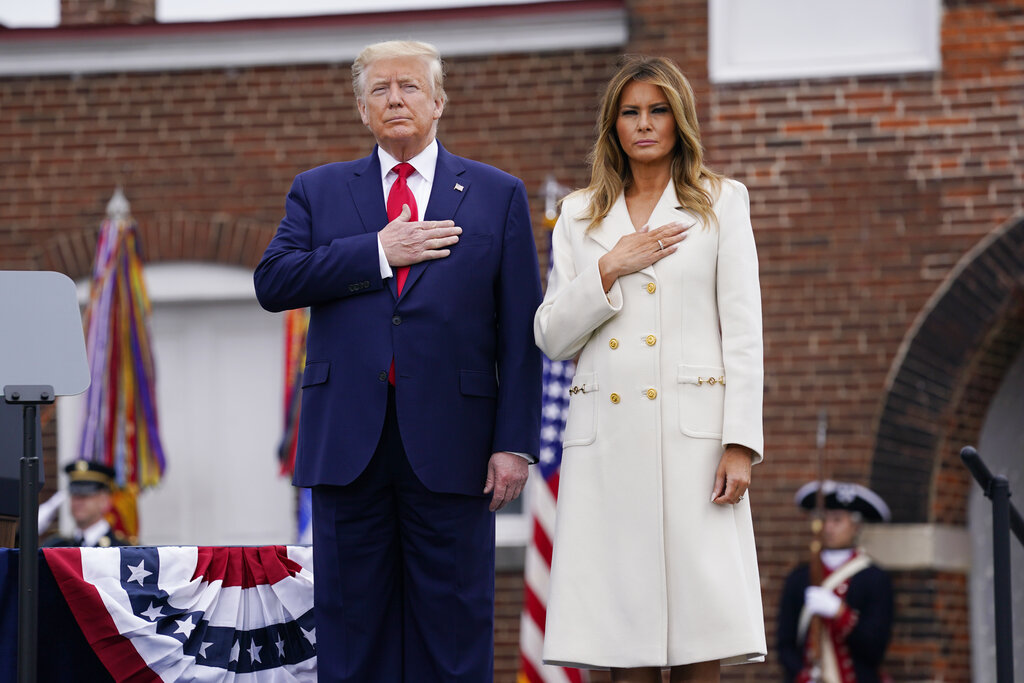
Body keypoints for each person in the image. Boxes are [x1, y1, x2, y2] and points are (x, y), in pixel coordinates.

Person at [253, 40, 542, 682]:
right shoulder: (318, 191)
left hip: (457, 447)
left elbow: (520, 332)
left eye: (409, 86)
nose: (395, 99)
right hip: (348, 445)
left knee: (455, 630)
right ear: (362, 110)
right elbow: (273, 283)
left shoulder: (498, 195)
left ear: (439, 101)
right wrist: (377, 251)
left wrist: (515, 443)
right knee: (354, 632)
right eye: (379, 89)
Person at [534, 55, 766, 682]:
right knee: (621, 641)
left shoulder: (721, 202)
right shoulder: (580, 217)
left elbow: (743, 331)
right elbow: (551, 334)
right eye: (630, 112)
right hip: (608, 449)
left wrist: (740, 443)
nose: (644, 124)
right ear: (613, 126)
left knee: (699, 636)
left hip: (694, 447)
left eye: (657, 110)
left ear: (679, 119)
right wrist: (609, 267)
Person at [777, 480, 894, 683]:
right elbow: (785, 643)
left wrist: (840, 613)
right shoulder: (800, 578)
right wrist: (803, 676)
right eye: (824, 519)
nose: (828, 527)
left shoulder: (875, 578)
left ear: (856, 526)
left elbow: (875, 647)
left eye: (837, 520)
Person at [43, 460, 130, 548]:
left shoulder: (122, 549)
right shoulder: (55, 546)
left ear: (104, 500)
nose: (78, 502)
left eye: (86, 496)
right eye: (75, 495)